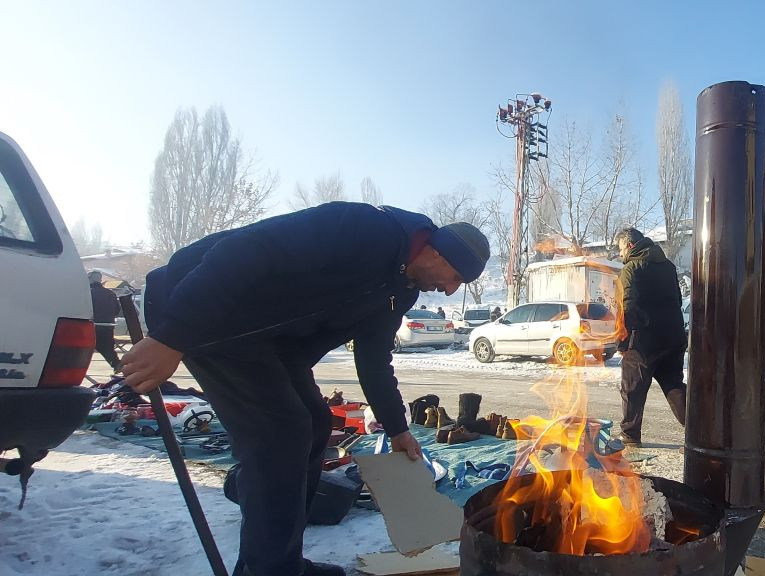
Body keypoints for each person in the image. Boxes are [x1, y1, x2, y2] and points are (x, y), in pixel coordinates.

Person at [120, 202, 490, 576]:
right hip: (202, 312)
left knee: (313, 424)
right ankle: (271, 570)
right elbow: (246, 250)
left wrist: (397, 428)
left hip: (269, 343)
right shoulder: (364, 229)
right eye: (455, 276)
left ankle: (279, 561)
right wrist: (170, 337)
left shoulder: (401, 288)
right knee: (281, 435)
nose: (449, 290)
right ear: (436, 252)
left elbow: (374, 357)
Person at [614, 227, 686, 448]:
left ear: (629, 245)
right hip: (673, 336)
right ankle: (700, 430)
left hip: (644, 341)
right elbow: (678, 301)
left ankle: (630, 435)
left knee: (632, 387)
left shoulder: (630, 269)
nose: (620, 255)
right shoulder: (668, 266)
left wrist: (623, 343)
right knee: (673, 384)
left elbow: (627, 308)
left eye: (620, 249)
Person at [88, 270, 122, 372]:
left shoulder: (87, 293)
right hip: (108, 325)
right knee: (108, 349)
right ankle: (117, 365)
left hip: (93, 325)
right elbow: (117, 310)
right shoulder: (111, 294)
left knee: (81, 349)